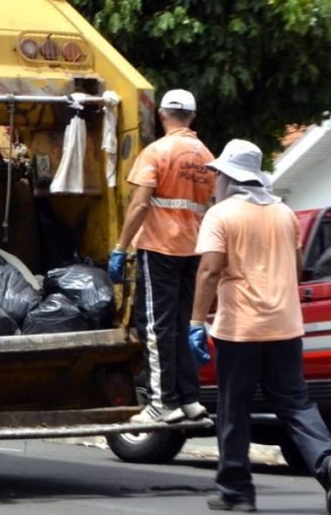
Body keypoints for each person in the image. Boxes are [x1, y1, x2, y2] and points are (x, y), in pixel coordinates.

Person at [191, 139, 331, 513]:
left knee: (234, 408)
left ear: (229, 178)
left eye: (219, 174)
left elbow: (208, 271)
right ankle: (328, 465)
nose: (216, 180)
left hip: (240, 329)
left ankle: (236, 493)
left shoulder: (221, 216)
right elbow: (297, 265)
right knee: (296, 405)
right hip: (285, 327)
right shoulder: (284, 213)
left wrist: (194, 322)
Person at [108, 88, 215, 423]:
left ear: (162, 114)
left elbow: (140, 204)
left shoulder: (157, 152)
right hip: (193, 250)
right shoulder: (208, 157)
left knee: (156, 325)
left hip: (159, 249)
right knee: (182, 324)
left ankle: (161, 403)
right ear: (193, 118)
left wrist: (120, 247)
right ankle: (189, 400)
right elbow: (210, 206)